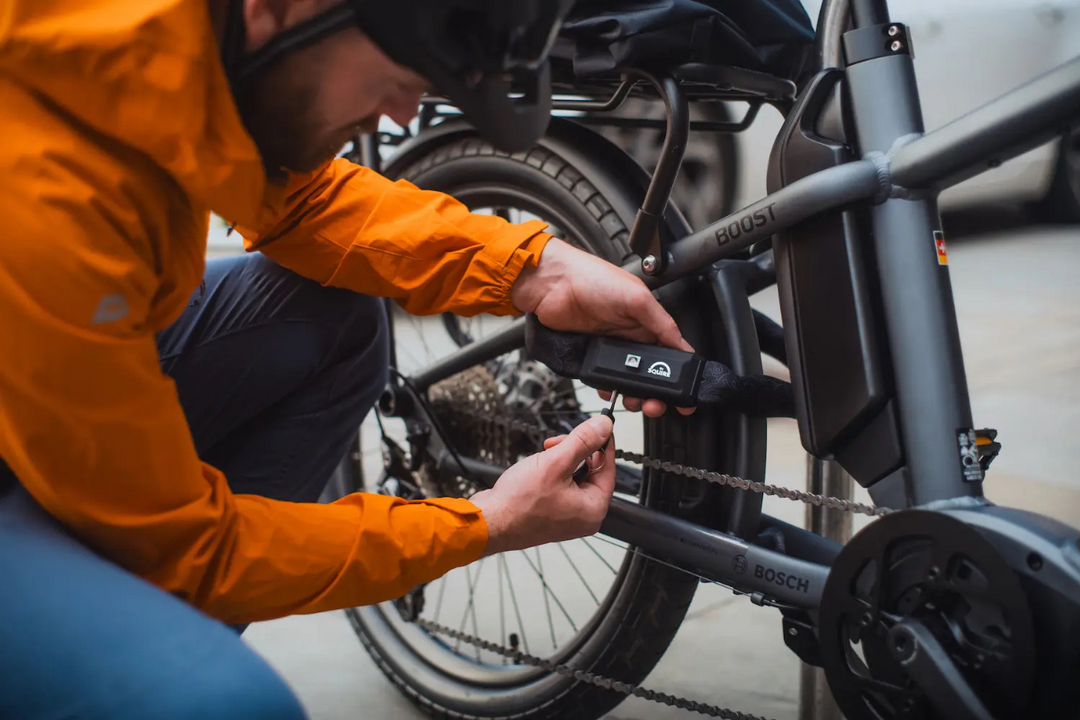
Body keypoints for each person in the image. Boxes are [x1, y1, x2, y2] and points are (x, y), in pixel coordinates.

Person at [0, 1, 693, 717]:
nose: (400, 114)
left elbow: (296, 200)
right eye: (399, 76)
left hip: (44, 371)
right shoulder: (42, 189)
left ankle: (134, 637)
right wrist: (484, 521)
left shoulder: (163, 45)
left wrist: (535, 270)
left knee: (329, 313)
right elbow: (192, 549)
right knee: (224, 704)